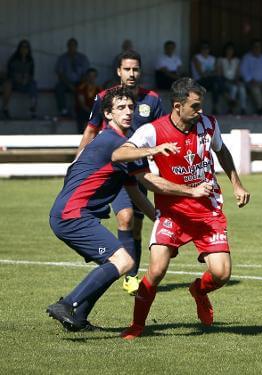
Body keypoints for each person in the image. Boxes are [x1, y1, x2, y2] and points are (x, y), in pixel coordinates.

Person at [46, 87, 209, 331]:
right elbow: (120, 157)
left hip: (75, 215)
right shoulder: (111, 140)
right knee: (122, 261)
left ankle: (78, 317)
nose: (128, 112)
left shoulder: (128, 149)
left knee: (115, 262)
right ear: (108, 115)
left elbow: (137, 190)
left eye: (131, 107)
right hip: (72, 215)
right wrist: (154, 151)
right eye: (120, 108)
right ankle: (67, 304)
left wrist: (163, 223)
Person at [111, 78, 251, 340]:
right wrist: (153, 150)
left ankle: (198, 291)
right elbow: (118, 155)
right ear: (177, 106)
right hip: (172, 213)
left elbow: (222, 152)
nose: (200, 112)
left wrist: (237, 185)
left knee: (221, 273)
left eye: (201, 106)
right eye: (195, 106)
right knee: (156, 271)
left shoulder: (209, 124)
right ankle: (137, 326)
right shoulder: (153, 131)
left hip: (207, 211)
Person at [76, 50, 164, 296]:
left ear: (141, 71)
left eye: (135, 69)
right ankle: (130, 276)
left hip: (139, 170)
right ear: (118, 71)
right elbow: (91, 131)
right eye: (127, 69)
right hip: (113, 171)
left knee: (136, 225)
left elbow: (162, 133)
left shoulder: (153, 100)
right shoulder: (105, 97)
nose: (132, 73)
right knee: (124, 216)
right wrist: (77, 164)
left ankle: (130, 273)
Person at [2, 39, 38, 119]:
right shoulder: (13, 59)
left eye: (26, 47)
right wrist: (17, 78)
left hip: (25, 83)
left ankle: (33, 109)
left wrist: (26, 79)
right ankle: (5, 108)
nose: (24, 49)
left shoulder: (30, 60)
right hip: (14, 83)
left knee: (34, 84)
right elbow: (9, 74)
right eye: (22, 47)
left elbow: (32, 75)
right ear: (19, 48)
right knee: (7, 84)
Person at [54, 38, 90, 117]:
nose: (72, 47)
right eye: (70, 45)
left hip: (79, 81)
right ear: (67, 46)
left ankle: (83, 110)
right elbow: (60, 74)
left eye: (73, 45)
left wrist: (80, 83)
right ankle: (63, 110)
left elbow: (86, 73)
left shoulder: (82, 58)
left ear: (76, 46)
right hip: (66, 82)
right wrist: (69, 85)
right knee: (58, 88)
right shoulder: (62, 58)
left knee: (85, 88)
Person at [191, 41, 223, 114]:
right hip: (199, 81)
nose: (205, 50)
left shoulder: (212, 58)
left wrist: (209, 73)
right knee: (216, 80)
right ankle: (227, 95)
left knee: (215, 85)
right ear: (200, 49)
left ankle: (215, 107)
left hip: (211, 81)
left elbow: (218, 72)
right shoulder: (196, 58)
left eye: (207, 48)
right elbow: (201, 74)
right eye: (203, 48)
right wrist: (211, 73)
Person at [217, 42, 247, 114]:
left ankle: (243, 108)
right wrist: (228, 80)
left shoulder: (236, 60)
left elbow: (238, 73)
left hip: (234, 81)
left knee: (242, 88)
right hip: (225, 81)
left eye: (231, 50)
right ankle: (231, 109)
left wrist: (236, 80)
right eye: (228, 50)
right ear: (225, 50)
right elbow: (219, 73)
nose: (229, 52)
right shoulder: (221, 60)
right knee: (234, 88)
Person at [75, 68, 102, 133]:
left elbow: (101, 102)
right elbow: (82, 103)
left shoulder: (99, 88)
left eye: (93, 76)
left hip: (94, 111)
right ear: (86, 77)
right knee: (82, 113)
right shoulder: (81, 88)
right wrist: (90, 111)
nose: (91, 78)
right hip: (84, 111)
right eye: (90, 76)